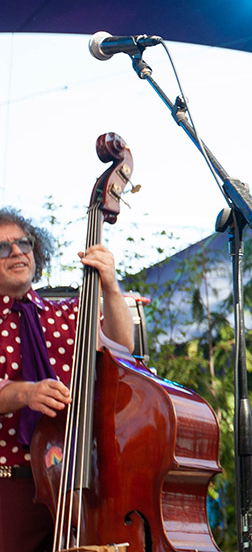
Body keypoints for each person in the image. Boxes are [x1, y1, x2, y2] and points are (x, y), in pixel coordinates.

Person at [0, 208, 134, 552]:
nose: (16, 252)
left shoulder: (69, 313)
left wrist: (110, 286)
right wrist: (23, 394)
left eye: (23, 243)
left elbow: (122, 347)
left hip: (79, 486)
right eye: (2, 248)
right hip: (9, 490)